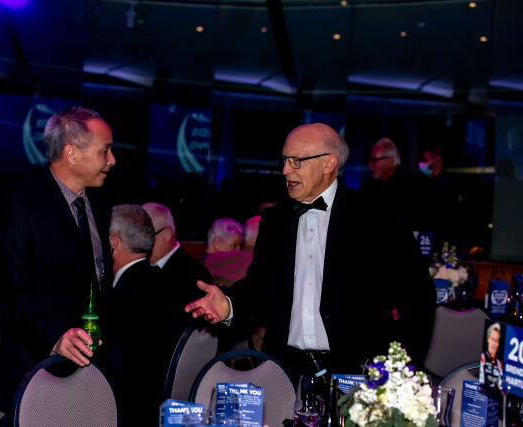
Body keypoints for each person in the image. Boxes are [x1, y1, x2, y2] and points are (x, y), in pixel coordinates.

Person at [186, 123, 435, 382]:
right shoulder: (274, 219)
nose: (285, 170)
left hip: (356, 371)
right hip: (284, 369)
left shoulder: (377, 217)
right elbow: (261, 287)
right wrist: (229, 303)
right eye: (284, 160)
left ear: (328, 163)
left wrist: (398, 369)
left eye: (296, 161)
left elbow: (417, 298)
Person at [0, 106, 115, 412]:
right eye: (105, 150)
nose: (112, 160)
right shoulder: (21, 201)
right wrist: (55, 337)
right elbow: (9, 296)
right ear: (71, 153)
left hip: (88, 374)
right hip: (34, 369)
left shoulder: (99, 203)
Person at [97, 204, 177, 427]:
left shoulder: (119, 299)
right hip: (161, 404)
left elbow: (113, 369)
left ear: (113, 242)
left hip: (126, 412)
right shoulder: (167, 283)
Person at [141, 202, 212, 319]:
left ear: (167, 234)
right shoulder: (139, 267)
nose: (140, 243)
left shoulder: (195, 275)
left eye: (146, 237)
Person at [361, 137, 433, 234]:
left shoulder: (414, 185)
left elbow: (424, 223)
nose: (370, 165)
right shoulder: (367, 187)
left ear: (390, 161)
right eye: (370, 160)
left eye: (374, 160)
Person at [479, 322, 502, 390]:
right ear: (488, 339)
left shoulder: (499, 364)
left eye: (496, 340)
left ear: (498, 344)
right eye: (492, 339)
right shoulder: (483, 358)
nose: (494, 343)